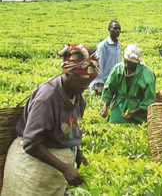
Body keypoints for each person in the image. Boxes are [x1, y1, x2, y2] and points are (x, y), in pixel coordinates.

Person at [1, 44, 99, 196]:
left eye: (89, 81)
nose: (86, 86)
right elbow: (31, 142)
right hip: (32, 171)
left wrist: (78, 154)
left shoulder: (78, 98)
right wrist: (65, 168)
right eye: (82, 81)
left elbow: (71, 131)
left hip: (54, 174)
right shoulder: (47, 98)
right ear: (68, 73)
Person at [100, 44, 156, 124]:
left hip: (138, 110)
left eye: (130, 64)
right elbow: (109, 88)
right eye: (125, 62)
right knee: (115, 122)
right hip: (119, 104)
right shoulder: (118, 69)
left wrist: (134, 111)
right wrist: (105, 106)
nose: (126, 65)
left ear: (137, 63)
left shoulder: (147, 74)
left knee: (136, 125)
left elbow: (149, 99)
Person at [89, 20, 122, 95]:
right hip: (103, 82)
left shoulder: (118, 45)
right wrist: (100, 84)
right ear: (109, 29)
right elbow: (99, 65)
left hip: (113, 82)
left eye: (119, 29)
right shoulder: (103, 46)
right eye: (115, 28)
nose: (117, 31)